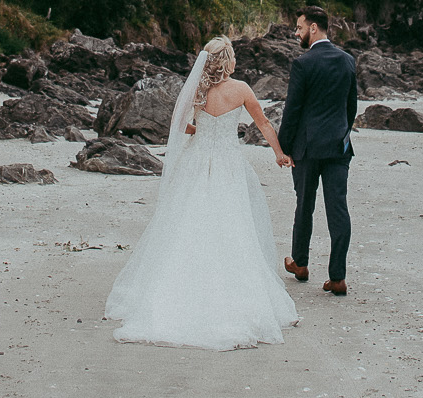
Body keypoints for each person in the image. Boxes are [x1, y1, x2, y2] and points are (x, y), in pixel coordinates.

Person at [104, 36, 300, 350]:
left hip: (197, 163)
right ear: (230, 62)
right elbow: (263, 123)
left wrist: (202, 130)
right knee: (232, 226)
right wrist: (278, 153)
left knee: (188, 223)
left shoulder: (197, 90)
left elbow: (180, 124)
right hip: (228, 165)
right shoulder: (242, 90)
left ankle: (177, 293)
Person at [276, 5, 357, 295]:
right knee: (338, 210)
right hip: (338, 147)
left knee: (304, 206)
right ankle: (337, 277)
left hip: (307, 148)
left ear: (313, 28)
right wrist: (341, 136)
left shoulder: (303, 64)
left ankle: (300, 263)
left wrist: (283, 148)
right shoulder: (347, 60)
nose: (296, 32)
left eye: (299, 27)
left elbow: (292, 111)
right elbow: (351, 108)